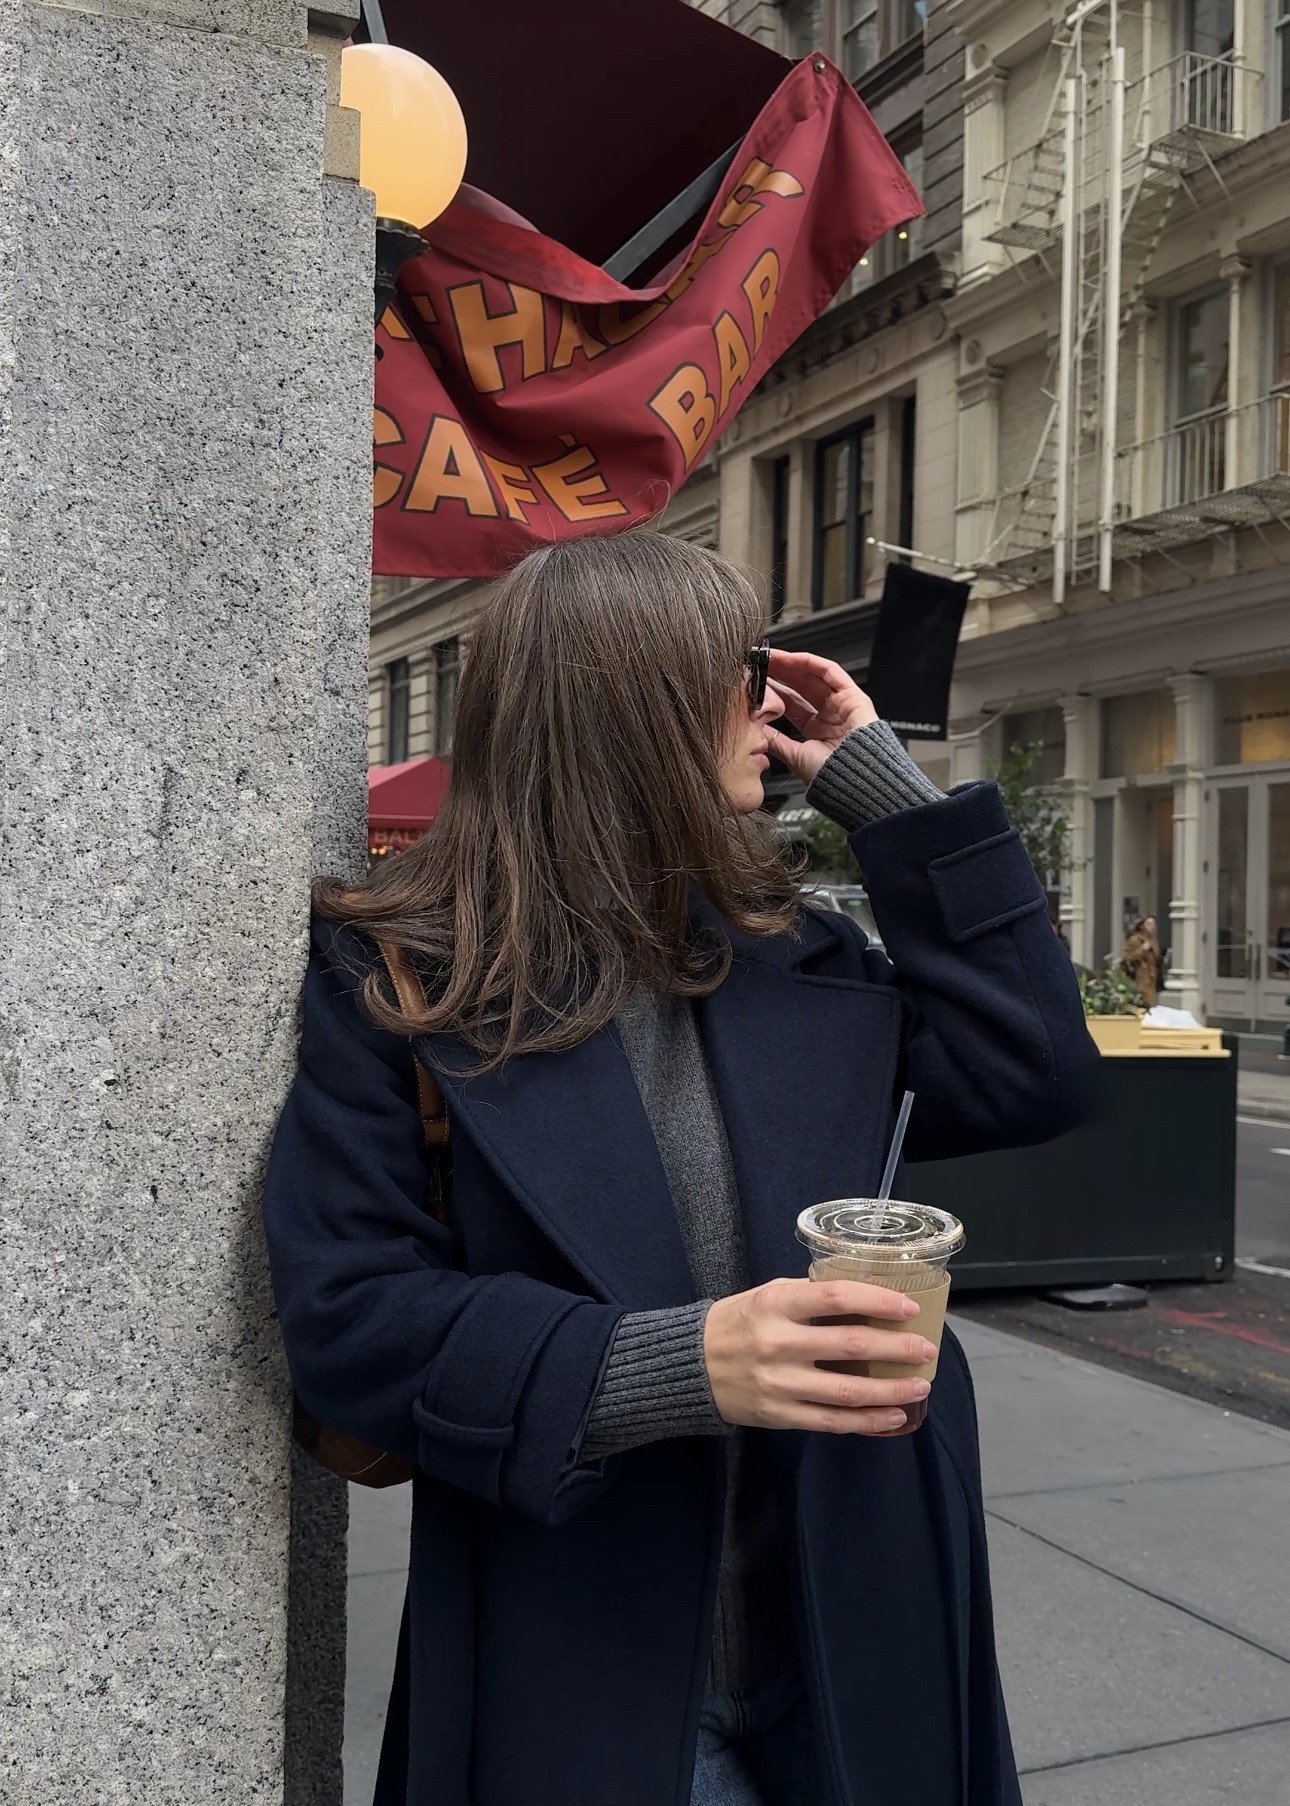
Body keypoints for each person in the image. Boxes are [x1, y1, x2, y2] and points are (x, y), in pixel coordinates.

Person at [262, 532, 1096, 1806]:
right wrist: (670, 1365)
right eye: (741, 669)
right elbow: (350, 1316)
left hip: (867, 1614)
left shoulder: (799, 953)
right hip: (584, 1643)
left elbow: (1033, 1074)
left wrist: (883, 789)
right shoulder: (402, 973)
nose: (771, 701)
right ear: (637, 701)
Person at [1121, 914, 1163, 1007]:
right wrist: (1142, 949)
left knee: (1151, 1002)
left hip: (1151, 977)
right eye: (1148, 924)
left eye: (1153, 924)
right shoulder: (1135, 939)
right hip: (1140, 976)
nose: (1151, 926)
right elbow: (1128, 957)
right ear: (1142, 925)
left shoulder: (1152, 940)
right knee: (1143, 1001)